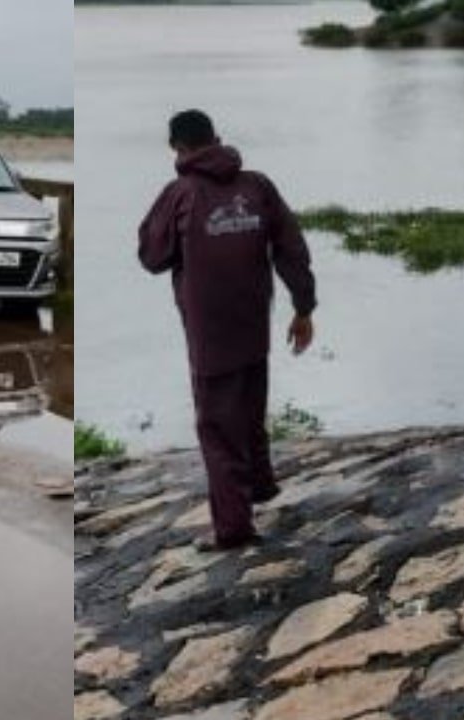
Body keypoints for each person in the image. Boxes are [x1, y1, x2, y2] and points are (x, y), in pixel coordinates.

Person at [138, 110, 317, 551]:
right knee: (250, 411)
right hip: (254, 322)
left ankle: (234, 530)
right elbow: (291, 248)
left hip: (209, 333)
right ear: (216, 138)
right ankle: (257, 488)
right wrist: (304, 307)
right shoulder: (257, 186)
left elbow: (151, 256)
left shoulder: (181, 193)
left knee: (218, 428)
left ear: (177, 149)